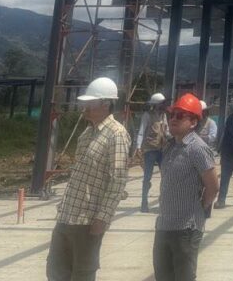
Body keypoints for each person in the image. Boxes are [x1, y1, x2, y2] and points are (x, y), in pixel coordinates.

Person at [46, 76, 131, 281]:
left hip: (88, 221)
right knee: (56, 271)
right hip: (67, 215)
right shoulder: (86, 133)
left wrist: (103, 217)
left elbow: (117, 180)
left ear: (105, 104)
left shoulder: (116, 134)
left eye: (89, 103)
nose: (83, 107)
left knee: (82, 274)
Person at [153, 92, 218, 281]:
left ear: (193, 122)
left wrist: (198, 209)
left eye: (180, 116)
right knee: (163, 276)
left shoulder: (197, 148)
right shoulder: (171, 146)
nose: (173, 119)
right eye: (172, 115)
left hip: (186, 229)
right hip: (164, 225)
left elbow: (213, 187)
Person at [134, 92, 168, 213]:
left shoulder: (164, 116)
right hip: (150, 150)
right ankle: (144, 202)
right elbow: (142, 131)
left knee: (165, 177)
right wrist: (138, 146)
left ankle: (163, 202)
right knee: (147, 177)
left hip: (162, 150)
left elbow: (167, 131)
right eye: (162, 103)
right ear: (157, 104)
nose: (164, 106)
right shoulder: (147, 115)